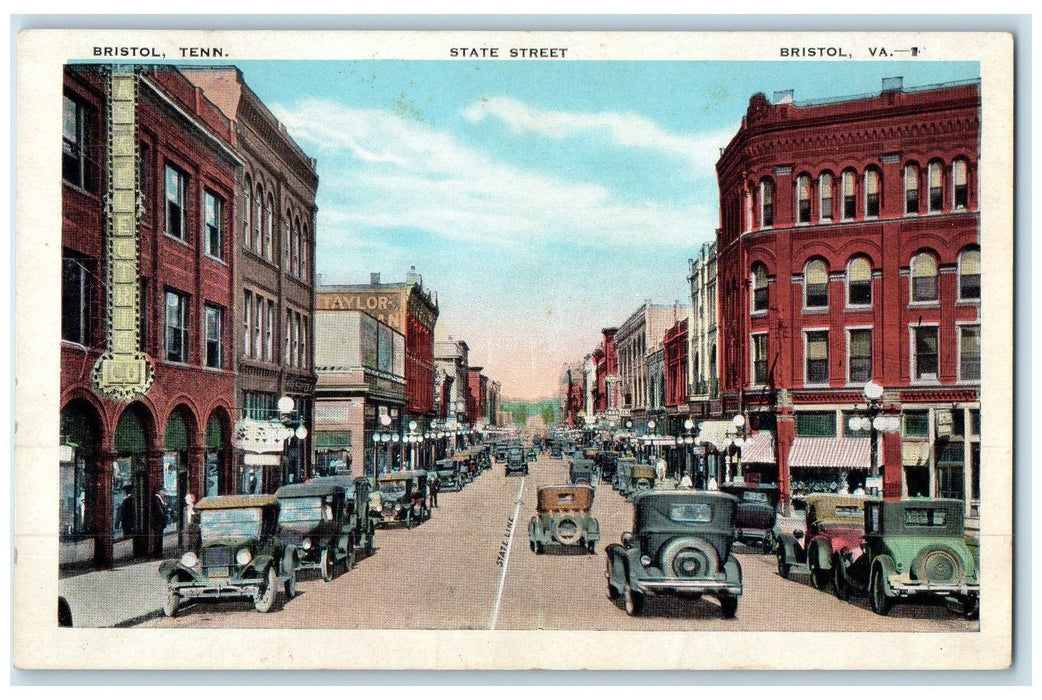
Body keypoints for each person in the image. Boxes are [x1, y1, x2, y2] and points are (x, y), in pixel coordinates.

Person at [150, 490, 167, 558]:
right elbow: (160, 511)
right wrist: (164, 516)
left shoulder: (160, 499)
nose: (165, 494)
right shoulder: (157, 499)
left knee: (159, 537)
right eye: (164, 492)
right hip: (158, 522)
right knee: (157, 538)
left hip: (159, 523)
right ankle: (157, 553)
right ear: (160, 492)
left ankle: (159, 552)